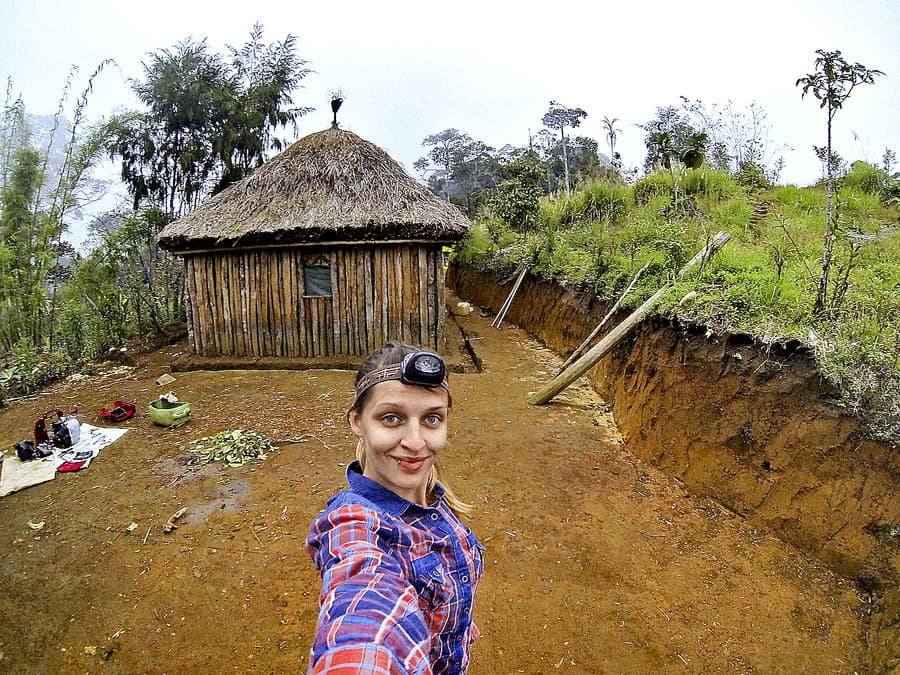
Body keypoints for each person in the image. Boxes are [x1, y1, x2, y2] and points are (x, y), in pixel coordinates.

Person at [306, 342, 484, 674]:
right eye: (391, 418)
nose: (416, 443)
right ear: (357, 422)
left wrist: (457, 629)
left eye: (432, 418)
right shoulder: (352, 524)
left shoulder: (434, 499)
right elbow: (366, 614)